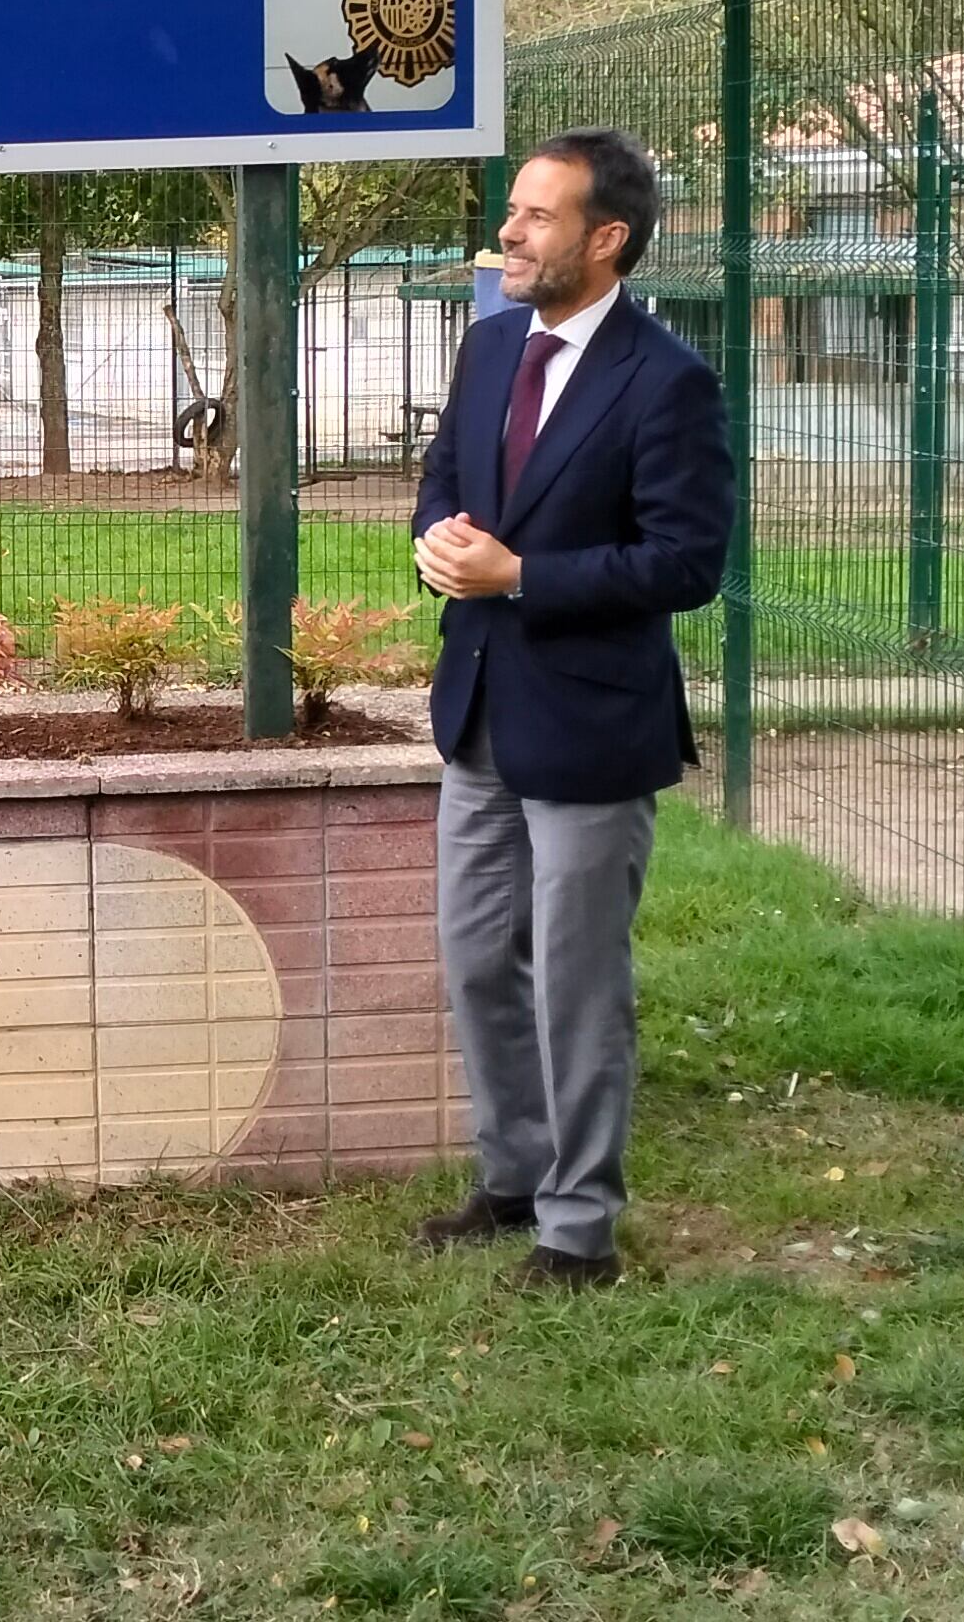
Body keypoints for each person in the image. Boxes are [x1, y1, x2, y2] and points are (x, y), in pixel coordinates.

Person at [407, 127, 734, 1288]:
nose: (509, 230)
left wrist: (526, 577)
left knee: (578, 980)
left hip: (594, 724)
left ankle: (578, 1228)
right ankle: (511, 1175)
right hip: (481, 707)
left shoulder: (668, 381)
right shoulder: (492, 347)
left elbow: (687, 562)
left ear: (606, 240)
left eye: (537, 216)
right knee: (476, 958)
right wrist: (436, 544)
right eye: (514, 210)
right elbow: (447, 478)